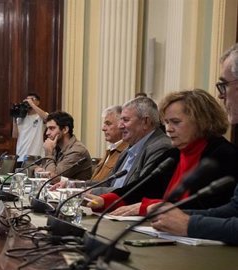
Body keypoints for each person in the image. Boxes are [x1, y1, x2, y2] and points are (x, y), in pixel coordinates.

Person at [90, 89, 238, 216]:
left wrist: (149, 207)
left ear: (202, 121)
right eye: (166, 122)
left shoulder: (224, 155)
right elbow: (142, 187)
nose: (168, 129)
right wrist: (105, 200)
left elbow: (206, 206)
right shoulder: (173, 155)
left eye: (176, 122)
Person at [151, 44, 238, 244]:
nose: (221, 95)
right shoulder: (172, 154)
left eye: (224, 85)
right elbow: (234, 209)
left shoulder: (224, 154)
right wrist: (174, 214)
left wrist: (189, 224)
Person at [105, 96, 173, 190]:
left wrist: (92, 192)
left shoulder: (160, 147)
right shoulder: (127, 150)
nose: (120, 126)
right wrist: (81, 186)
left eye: (125, 120)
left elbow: (137, 190)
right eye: (121, 120)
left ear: (145, 122)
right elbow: (107, 183)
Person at [36, 111, 92, 180]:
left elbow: (52, 178)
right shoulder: (56, 147)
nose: (47, 133)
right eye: (47, 129)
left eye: (52, 128)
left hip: (77, 190)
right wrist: (36, 169)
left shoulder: (77, 151)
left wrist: (49, 153)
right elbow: (39, 167)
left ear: (65, 129)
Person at [91, 105, 128, 183]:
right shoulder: (111, 149)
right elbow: (95, 181)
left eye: (108, 124)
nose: (103, 128)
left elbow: (106, 184)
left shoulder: (126, 151)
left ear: (121, 125)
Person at [12, 92, 48, 165]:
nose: (28, 101)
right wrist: (14, 120)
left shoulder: (40, 117)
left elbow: (46, 117)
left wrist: (32, 104)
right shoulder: (20, 118)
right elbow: (15, 136)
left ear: (38, 102)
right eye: (27, 100)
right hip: (21, 155)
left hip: (36, 156)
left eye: (32, 99)